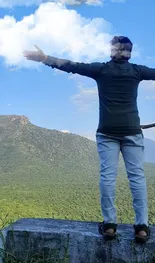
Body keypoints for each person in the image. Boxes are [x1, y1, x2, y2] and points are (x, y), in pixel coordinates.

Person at [23, 36, 154, 243]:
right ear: (130, 52)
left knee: (107, 177)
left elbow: (71, 66)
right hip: (132, 131)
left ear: (112, 51)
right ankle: (142, 228)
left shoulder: (100, 70)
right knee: (137, 178)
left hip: (107, 131)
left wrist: (44, 58)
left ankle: (110, 225)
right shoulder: (138, 71)